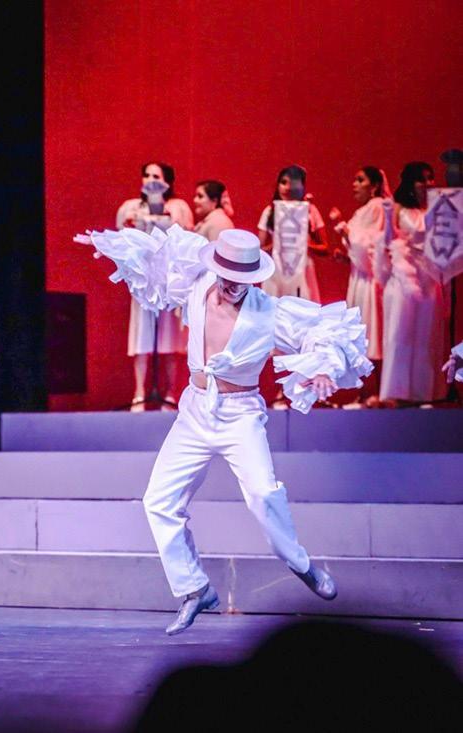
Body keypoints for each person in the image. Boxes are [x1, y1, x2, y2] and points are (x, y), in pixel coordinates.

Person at [81, 225, 371, 635]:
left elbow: (321, 332)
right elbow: (153, 256)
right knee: (158, 501)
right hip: (194, 411)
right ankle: (194, 589)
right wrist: (110, 244)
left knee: (263, 496)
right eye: (228, 276)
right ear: (216, 269)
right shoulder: (197, 284)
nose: (233, 285)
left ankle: (302, 566)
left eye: (242, 279)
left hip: (240, 416)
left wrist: (323, 368)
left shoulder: (268, 312)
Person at [115, 162, 194, 410]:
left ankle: (170, 392)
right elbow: (122, 241)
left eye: (156, 176)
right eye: (147, 175)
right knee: (142, 336)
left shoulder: (178, 207)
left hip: (168, 282)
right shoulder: (131, 207)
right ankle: (139, 392)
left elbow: (186, 241)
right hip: (143, 281)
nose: (151, 180)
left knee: (169, 338)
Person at [377, 161, 447, 406]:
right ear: (411, 182)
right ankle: (397, 393)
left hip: (429, 275)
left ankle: (423, 393)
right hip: (403, 275)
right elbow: (387, 240)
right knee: (400, 331)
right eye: (422, 179)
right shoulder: (398, 208)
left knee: (426, 334)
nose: (428, 183)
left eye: (430, 178)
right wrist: (388, 218)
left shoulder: (436, 209)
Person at [329, 167, 390, 405]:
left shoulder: (376, 207)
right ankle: (367, 392)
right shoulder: (364, 210)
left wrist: (345, 229)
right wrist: (346, 254)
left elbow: (371, 246)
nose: (354, 184)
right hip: (360, 279)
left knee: (372, 334)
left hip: (370, 282)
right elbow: (359, 251)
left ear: (374, 186)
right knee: (362, 335)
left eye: (360, 180)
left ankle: (377, 392)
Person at [258, 165, 329, 302]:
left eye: (292, 183)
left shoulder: (310, 211)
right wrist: (276, 245)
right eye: (283, 182)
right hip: (276, 271)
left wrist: (304, 245)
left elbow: (325, 247)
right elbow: (260, 250)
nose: (287, 188)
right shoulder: (269, 212)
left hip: (302, 270)